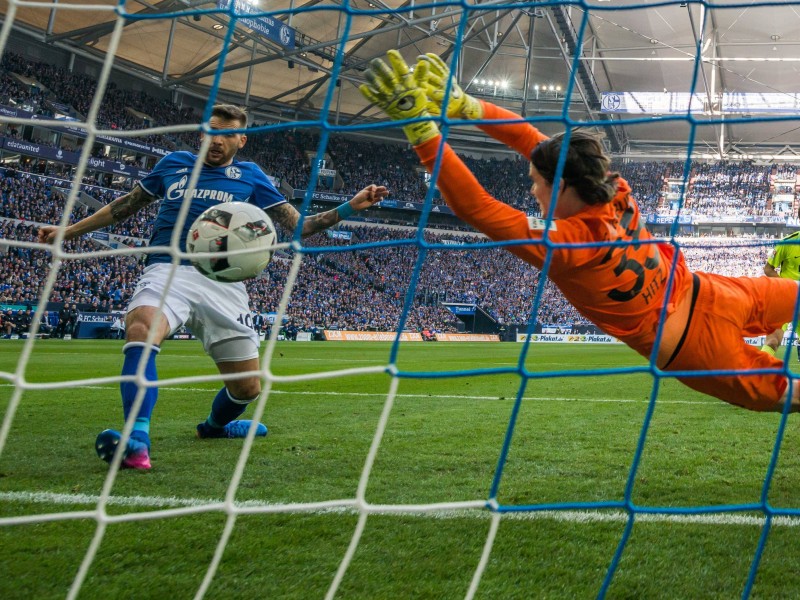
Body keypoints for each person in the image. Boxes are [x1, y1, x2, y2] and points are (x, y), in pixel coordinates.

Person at [360, 50, 800, 412]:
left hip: (695, 331)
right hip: (705, 299)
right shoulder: (615, 188)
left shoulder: (564, 244)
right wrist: (469, 108)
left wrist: (422, 128)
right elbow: (533, 141)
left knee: (786, 397)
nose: (531, 190)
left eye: (535, 182)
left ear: (562, 185)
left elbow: (475, 205)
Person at [38, 103, 389, 470]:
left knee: (247, 388)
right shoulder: (173, 164)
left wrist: (351, 206)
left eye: (225, 134)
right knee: (142, 327)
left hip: (223, 282)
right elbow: (125, 205)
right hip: (168, 268)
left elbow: (300, 226)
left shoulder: (252, 177)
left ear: (241, 139)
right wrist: (69, 231)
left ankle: (215, 426)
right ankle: (137, 438)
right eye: (210, 131)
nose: (215, 140)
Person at [760, 230, 800, 360]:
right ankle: (757, 375)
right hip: (785, 297)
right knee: (772, 342)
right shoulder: (788, 243)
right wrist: (788, 285)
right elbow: (768, 268)